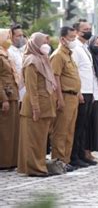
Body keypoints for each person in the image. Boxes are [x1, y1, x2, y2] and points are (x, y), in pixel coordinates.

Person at [17, 33, 56, 177]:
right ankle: (35, 168)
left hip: (46, 104)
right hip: (36, 106)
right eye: (43, 42)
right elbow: (32, 88)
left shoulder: (42, 59)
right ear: (36, 44)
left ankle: (39, 165)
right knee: (33, 140)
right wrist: (35, 108)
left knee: (40, 139)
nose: (46, 45)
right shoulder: (31, 61)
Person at [50, 26, 81, 172]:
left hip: (73, 97)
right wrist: (59, 99)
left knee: (69, 131)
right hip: (65, 96)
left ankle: (66, 160)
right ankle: (58, 161)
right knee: (60, 131)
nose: (74, 40)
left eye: (75, 38)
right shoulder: (58, 55)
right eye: (71, 38)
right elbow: (55, 78)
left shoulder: (69, 54)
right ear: (63, 39)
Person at [70, 19, 96, 168]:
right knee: (78, 126)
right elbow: (75, 72)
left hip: (88, 91)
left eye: (89, 28)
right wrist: (79, 92)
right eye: (85, 29)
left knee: (84, 126)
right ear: (77, 31)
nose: (88, 31)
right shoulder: (76, 48)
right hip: (81, 92)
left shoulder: (85, 47)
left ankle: (80, 154)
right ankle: (74, 156)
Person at [0, 29, 20, 169]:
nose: (9, 39)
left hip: (13, 94)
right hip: (5, 96)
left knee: (13, 131)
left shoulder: (7, 54)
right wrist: (3, 99)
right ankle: (4, 162)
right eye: (7, 36)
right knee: (5, 131)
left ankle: (12, 161)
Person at [8, 24, 26, 100]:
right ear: (11, 37)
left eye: (22, 35)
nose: (21, 38)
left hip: (25, 94)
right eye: (18, 36)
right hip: (15, 94)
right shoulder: (8, 52)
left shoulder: (23, 51)